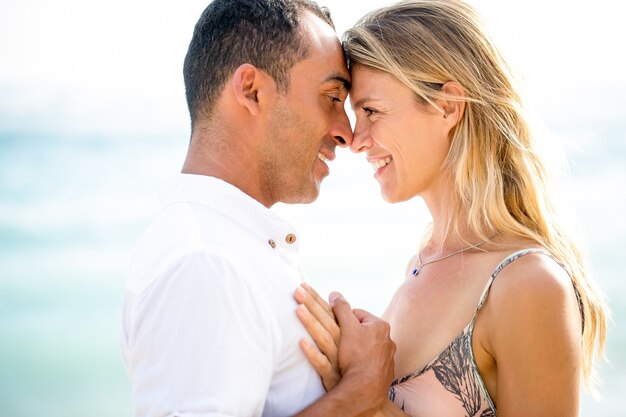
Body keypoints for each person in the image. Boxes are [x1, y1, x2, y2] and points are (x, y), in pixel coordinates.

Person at [295, 0, 608, 416]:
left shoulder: (528, 284)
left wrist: (363, 398)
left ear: (448, 107)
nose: (356, 139)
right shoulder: (422, 261)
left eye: (371, 111)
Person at [120, 1, 396, 416]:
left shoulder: (230, 247)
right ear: (251, 90)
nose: (346, 133)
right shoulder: (208, 262)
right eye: (332, 97)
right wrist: (360, 391)